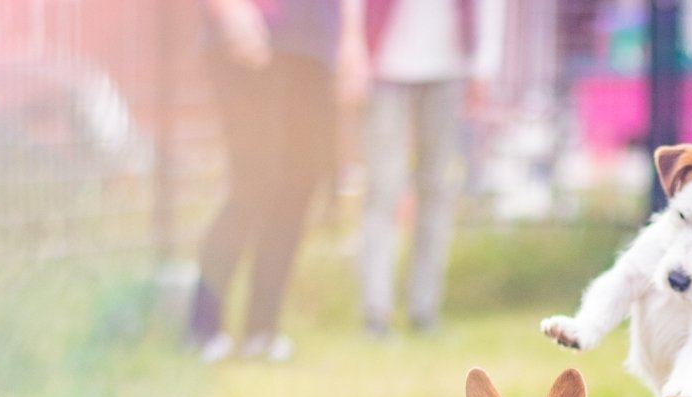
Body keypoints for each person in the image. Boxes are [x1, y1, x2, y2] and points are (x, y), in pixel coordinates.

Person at [187, 0, 366, 362]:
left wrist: (351, 39)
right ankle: (203, 325)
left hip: (313, 40)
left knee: (299, 182)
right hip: (252, 27)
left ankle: (262, 331)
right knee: (255, 179)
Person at [357, 0, 505, 336]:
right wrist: (354, 47)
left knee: (437, 189)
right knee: (382, 189)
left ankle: (424, 310)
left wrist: (484, 64)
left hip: (449, 65)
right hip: (383, 63)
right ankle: (375, 311)